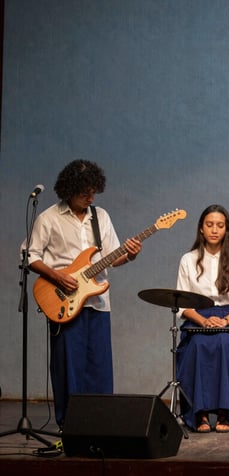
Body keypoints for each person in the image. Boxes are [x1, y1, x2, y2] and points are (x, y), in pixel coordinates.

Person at [26, 159, 142, 427]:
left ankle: (100, 425)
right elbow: (31, 256)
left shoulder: (100, 217)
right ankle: (70, 426)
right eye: (84, 192)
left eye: (93, 191)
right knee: (69, 368)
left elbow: (113, 257)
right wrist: (58, 276)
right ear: (69, 190)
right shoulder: (49, 218)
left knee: (99, 368)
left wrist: (131, 256)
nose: (91, 197)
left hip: (98, 304)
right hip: (62, 303)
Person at [176, 205, 229, 433]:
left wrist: (226, 320)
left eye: (220, 225)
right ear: (201, 228)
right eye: (209, 225)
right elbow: (182, 303)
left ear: (226, 229)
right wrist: (202, 320)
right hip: (197, 318)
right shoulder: (188, 259)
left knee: (224, 343)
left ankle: (224, 413)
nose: (214, 230)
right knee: (198, 345)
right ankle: (197, 413)